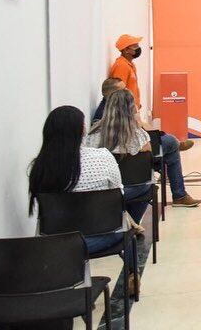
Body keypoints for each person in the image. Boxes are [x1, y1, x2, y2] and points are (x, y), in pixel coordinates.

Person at [28, 106, 138, 294]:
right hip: (103, 236)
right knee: (128, 230)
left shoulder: (39, 167)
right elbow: (119, 196)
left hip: (57, 242)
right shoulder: (102, 157)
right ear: (82, 130)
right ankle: (132, 276)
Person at [87, 88, 199, 208]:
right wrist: (138, 122)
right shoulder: (138, 134)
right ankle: (179, 195)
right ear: (131, 109)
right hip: (136, 187)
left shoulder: (93, 133)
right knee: (170, 145)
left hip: (103, 189)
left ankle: (179, 194)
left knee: (170, 146)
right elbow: (149, 155)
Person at [109, 34, 144, 109]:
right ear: (126, 50)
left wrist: (137, 104)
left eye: (138, 45)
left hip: (132, 110)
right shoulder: (121, 66)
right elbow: (118, 93)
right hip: (126, 111)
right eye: (135, 46)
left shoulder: (130, 64)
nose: (138, 48)